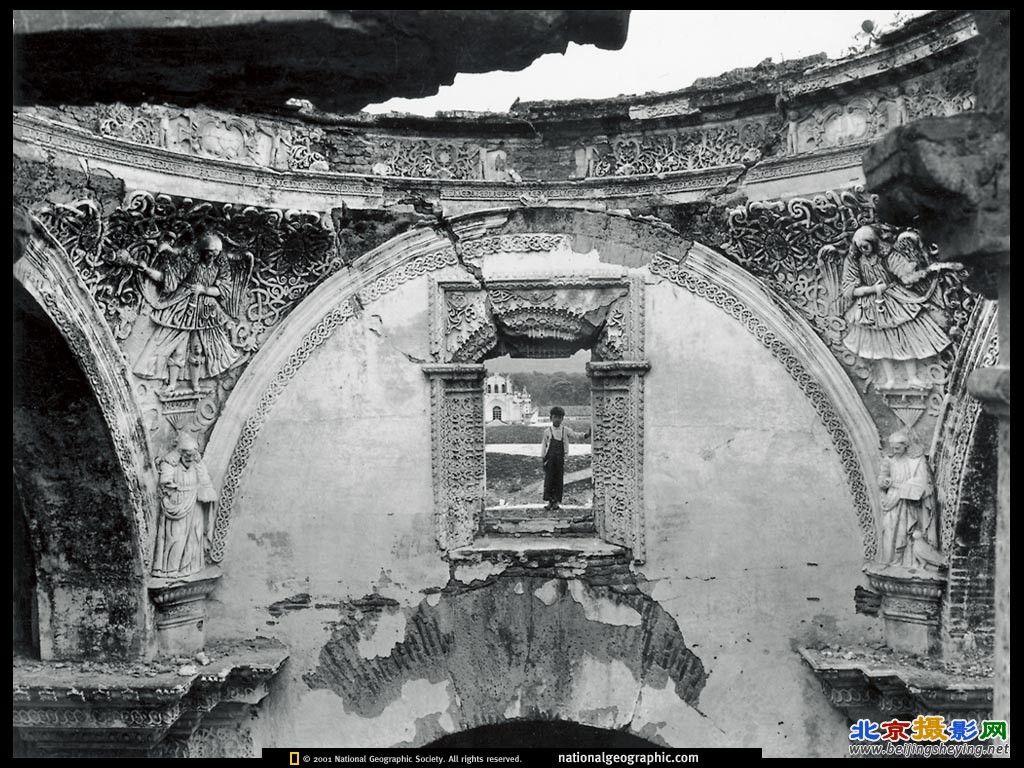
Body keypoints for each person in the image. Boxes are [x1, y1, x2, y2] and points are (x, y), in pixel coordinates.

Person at [123, 232, 243, 394]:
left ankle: (195, 385)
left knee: (198, 349)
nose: (211, 257)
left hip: (206, 310)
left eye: (215, 254)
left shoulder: (218, 267)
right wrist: (147, 270)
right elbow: (167, 280)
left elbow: (223, 291)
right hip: (183, 307)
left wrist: (204, 289)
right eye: (209, 253)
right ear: (201, 251)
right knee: (178, 349)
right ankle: (171, 383)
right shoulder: (189, 263)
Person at [840, 225, 954, 390]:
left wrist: (924, 272)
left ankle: (913, 377)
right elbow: (849, 290)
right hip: (871, 307)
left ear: (874, 242)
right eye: (859, 248)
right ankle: (891, 379)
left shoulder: (888, 256)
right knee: (881, 343)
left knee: (905, 338)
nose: (863, 250)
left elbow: (905, 275)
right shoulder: (855, 262)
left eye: (866, 246)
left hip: (895, 300)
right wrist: (872, 289)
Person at [152, 432, 217, 578]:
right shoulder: (170, 464)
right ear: (180, 452)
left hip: (194, 505)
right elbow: (165, 483)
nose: (190, 459)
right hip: (177, 504)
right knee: (175, 537)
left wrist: (199, 466)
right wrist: (174, 492)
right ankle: (170, 570)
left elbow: (205, 481)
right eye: (187, 455)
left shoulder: (196, 464)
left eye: (193, 455)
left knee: (195, 535)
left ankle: (190, 567)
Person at [878, 432, 940, 568]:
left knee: (904, 533)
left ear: (905, 446)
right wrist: (885, 482)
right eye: (893, 448)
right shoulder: (889, 460)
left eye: (898, 448)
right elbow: (882, 478)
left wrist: (909, 487)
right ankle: (888, 561)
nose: (895, 451)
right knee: (889, 529)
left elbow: (923, 482)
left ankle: (904, 562)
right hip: (893, 499)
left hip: (909, 501)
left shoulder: (915, 461)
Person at [540, 406, 590, 511]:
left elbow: (575, 435)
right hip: (549, 460)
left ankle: (556, 503)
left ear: (562, 419)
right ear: (551, 418)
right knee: (549, 481)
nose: (557, 419)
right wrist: (543, 459)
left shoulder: (565, 430)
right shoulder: (547, 431)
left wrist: (586, 435)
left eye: (559, 417)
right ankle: (550, 502)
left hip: (559, 460)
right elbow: (544, 446)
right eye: (555, 417)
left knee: (558, 480)